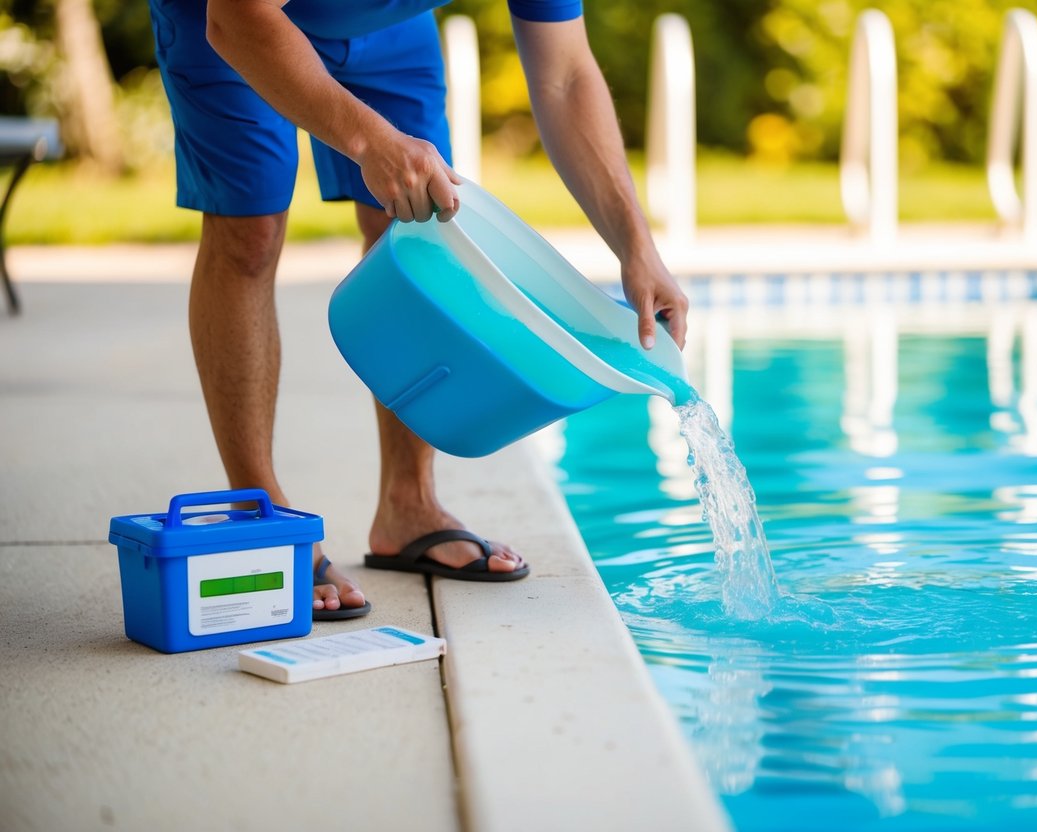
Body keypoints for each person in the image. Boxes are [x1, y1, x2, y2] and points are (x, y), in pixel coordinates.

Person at [148, 0, 689, 618]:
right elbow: (236, 19)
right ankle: (259, 511)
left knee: (418, 220)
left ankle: (408, 505)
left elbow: (564, 73)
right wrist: (370, 140)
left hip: (384, 24)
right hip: (238, 18)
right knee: (250, 233)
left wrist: (635, 245)